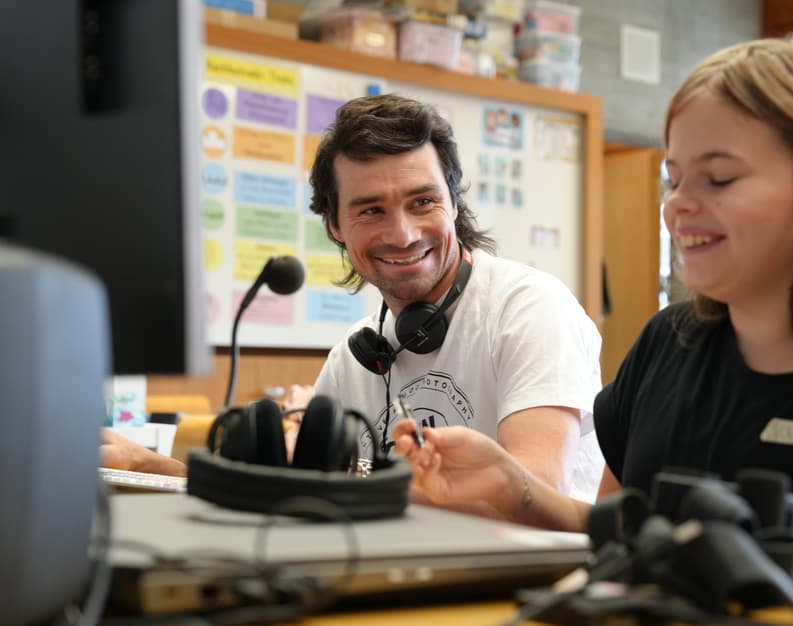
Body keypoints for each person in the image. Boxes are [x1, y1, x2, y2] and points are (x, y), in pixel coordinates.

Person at [394, 35, 793, 557]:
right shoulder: (671, 340)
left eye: (718, 179)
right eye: (674, 178)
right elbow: (623, 533)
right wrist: (510, 486)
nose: (678, 205)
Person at [102, 94, 605, 507]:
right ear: (337, 228)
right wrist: (153, 468)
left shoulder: (532, 309)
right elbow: (300, 500)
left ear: (454, 204)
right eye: (371, 210)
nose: (403, 234)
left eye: (423, 201)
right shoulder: (355, 354)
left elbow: (539, 490)